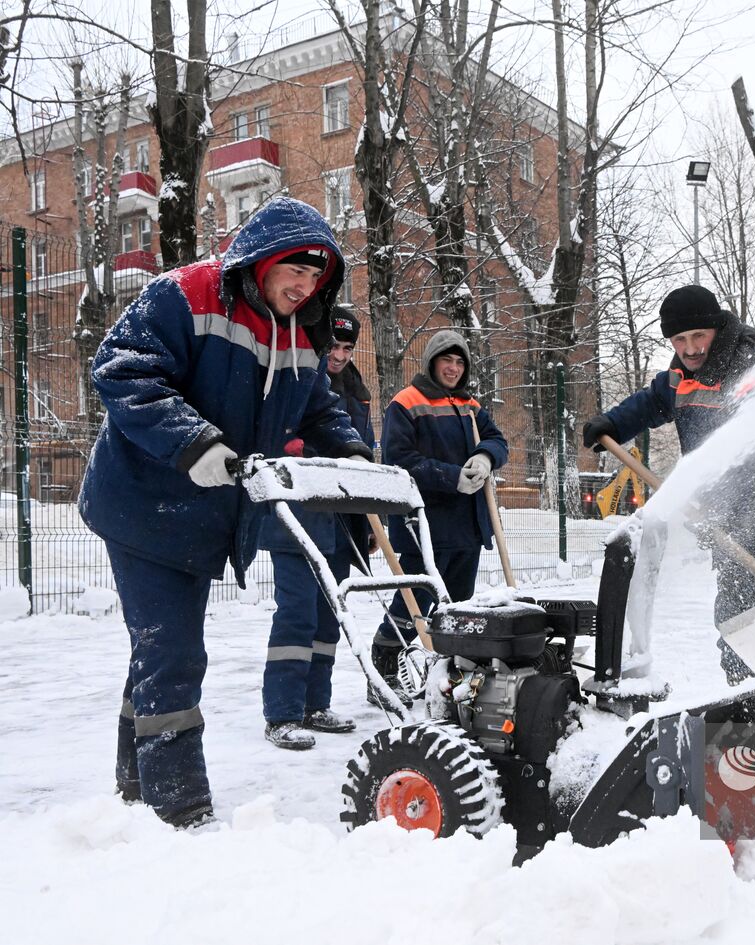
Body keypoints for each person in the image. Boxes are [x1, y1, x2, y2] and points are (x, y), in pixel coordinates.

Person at [78, 196, 371, 828]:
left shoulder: (296, 333)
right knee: (173, 651)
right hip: (144, 500)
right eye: (294, 270)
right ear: (260, 261)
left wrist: (351, 452)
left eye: (316, 276)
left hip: (204, 513)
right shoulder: (184, 294)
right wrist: (193, 441)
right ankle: (177, 806)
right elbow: (122, 369)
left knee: (159, 649)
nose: (304, 285)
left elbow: (318, 406)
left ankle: (135, 791)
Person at [580, 285, 755, 685]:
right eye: (679, 339)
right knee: (737, 593)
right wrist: (612, 424)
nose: (690, 348)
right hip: (736, 499)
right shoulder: (679, 377)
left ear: (717, 329)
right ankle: (748, 691)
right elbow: (650, 403)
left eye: (698, 336)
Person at [259, 307, 376, 749]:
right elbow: (279, 437)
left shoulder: (357, 392)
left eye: (347, 348)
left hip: (340, 521)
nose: (340, 356)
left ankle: (315, 703)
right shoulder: (295, 378)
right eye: (334, 347)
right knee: (297, 612)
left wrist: (364, 522)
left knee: (329, 614)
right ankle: (282, 712)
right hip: (297, 512)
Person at [371, 329, 508, 696]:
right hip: (425, 525)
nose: (453, 367)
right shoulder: (407, 402)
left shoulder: (470, 405)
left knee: (460, 610)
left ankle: (450, 678)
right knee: (413, 603)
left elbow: (498, 440)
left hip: (468, 526)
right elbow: (400, 460)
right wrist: (451, 478)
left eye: (460, 361)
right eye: (447, 360)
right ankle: (382, 669)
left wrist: (486, 456)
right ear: (432, 362)